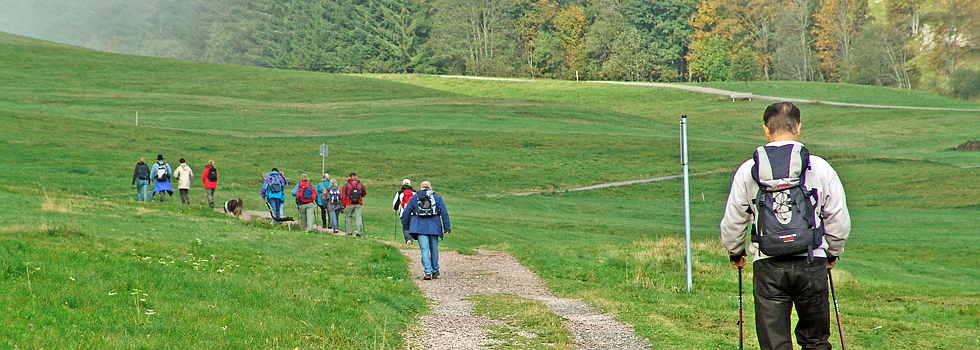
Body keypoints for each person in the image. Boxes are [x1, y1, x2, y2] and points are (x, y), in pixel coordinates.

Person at [720, 102, 850, 350]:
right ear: (798, 127)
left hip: (768, 264)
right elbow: (837, 218)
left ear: (766, 130)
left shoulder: (748, 171)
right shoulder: (820, 167)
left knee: (774, 344)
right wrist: (832, 252)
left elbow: (734, 219)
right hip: (811, 260)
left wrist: (736, 251)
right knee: (815, 340)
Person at [401, 181, 451, 280]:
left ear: (420, 187)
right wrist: (447, 228)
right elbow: (444, 213)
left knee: (424, 250)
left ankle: (427, 272)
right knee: (434, 250)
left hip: (420, 228)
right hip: (434, 227)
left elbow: (406, 212)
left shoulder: (415, 197)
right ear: (430, 187)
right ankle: (435, 270)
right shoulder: (437, 197)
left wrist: (406, 226)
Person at [342, 172, 367, 237]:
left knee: (348, 217)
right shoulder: (361, 184)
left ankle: (349, 231)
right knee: (358, 217)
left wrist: (344, 205)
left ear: (349, 177)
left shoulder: (346, 185)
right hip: (358, 203)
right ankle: (358, 232)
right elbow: (364, 193)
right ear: (356, 176)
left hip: (349, 203)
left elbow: (344, 195)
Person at [392, 178, 415, 244]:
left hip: (403, 213)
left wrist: (396, 209)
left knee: (406, 227)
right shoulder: (414, 192)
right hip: (413, 213)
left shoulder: (399, 193)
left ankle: (408, 239)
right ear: (410, 184)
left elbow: (395, 205)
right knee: (412, 226)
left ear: (403, 184)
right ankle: (411, 238)